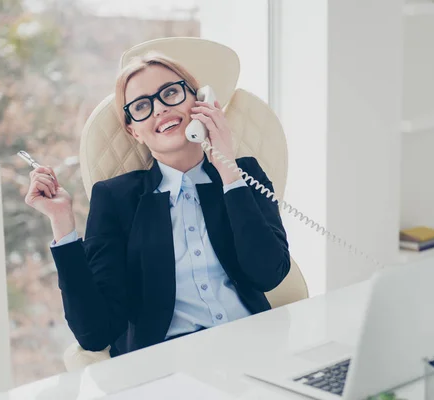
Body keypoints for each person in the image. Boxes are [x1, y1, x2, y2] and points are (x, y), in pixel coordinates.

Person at [24, 51, 290, 357]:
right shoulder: (115, 199)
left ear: (199, 101)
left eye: (171, 92)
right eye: (141, 106)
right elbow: (95, 333)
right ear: (133, 130)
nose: (160, 108)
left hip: (254, 346)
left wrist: (228, 169)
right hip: (166, 364)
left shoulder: (244, 175)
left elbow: (268, 274)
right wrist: (62, 225)